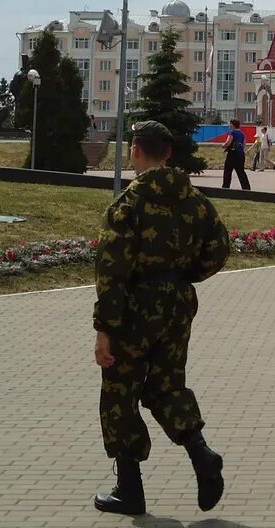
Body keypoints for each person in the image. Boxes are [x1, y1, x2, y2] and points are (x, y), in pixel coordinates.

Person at [92, 120, 231, 515]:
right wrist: (185, 277)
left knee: (121, 392)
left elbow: (112, 272)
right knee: (166, 385)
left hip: (133, 308)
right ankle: (202, 455)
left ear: (135, 151)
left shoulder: (129, 204)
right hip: (177, 304)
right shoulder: (196, 201)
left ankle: (129, 489)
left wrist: (104, 329)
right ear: (168, 154)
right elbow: (219, 249)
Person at [220, 119, 250, 191]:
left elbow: (228, 142)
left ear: (232, 124)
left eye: (230, 124)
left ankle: (225, 187)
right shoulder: (242, 133)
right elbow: (244, 144)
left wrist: (223, 145)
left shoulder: (232, 132)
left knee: (228, 171)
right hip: (240, 154)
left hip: (232, 154)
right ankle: (246, 188)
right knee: (241, 171)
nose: (229, 125)